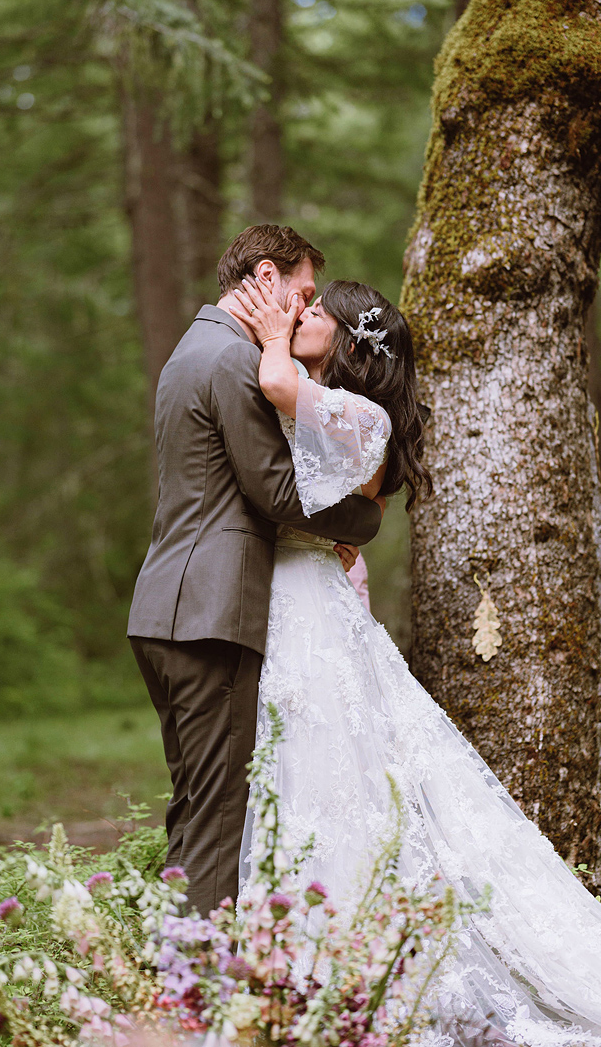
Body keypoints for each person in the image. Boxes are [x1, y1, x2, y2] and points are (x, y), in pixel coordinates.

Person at [228, 275, 601, 1046]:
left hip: (307, 597)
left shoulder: (355, 411)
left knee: (325, 768)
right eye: (295, 308)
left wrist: (267, 327)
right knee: (315, 771)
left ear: (343, 337)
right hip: (302, 592)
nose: (297, 314)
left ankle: (344, 967)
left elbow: (274, 379)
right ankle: (310, 959)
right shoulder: (332, 403)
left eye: (311, 311)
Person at [127, 225, 383, 920]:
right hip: (211, 613)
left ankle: (176, 968)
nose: (304, 310)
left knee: (195, 803)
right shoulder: (236, 359)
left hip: (163, 608)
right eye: (302, 292)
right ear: (264, 276)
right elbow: (274, 489)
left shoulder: (190, 349)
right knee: (217, 814)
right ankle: (199, 997)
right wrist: (365, 523)